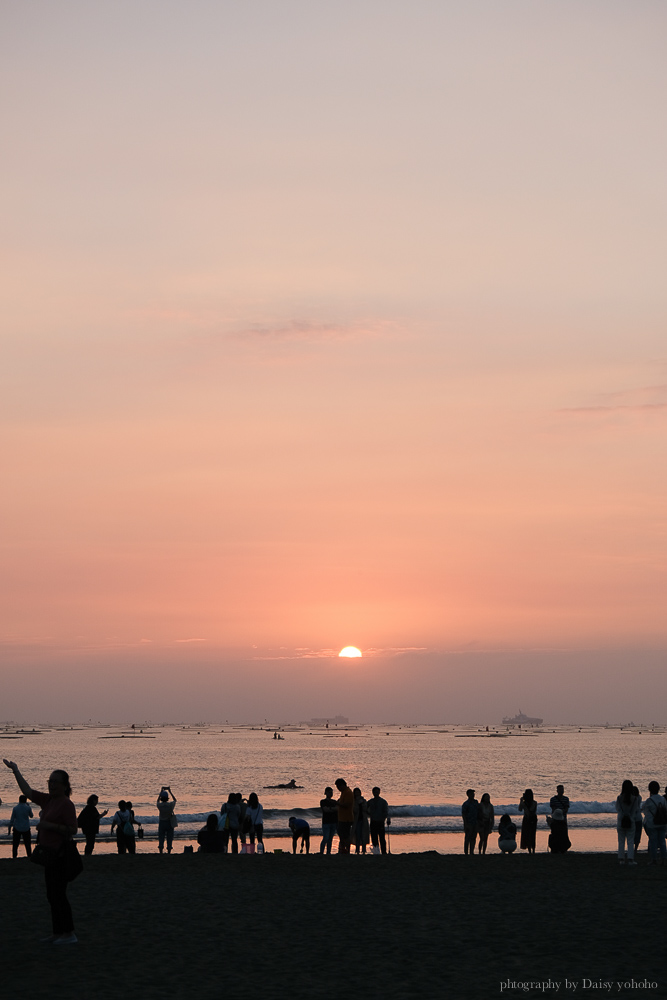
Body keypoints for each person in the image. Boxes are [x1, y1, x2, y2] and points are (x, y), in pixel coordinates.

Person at [3, 759, 79, 944]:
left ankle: (69, 934)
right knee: (51, 895)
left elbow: (73, 829)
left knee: (58, 894)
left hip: (60, 856)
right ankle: (57, 933)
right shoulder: (48, 800)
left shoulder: (66, 804)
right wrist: (15, 770)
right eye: (49, 781)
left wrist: (48, 825)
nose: (51, 785)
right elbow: (27, 792)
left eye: (55, 782)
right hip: (49, 857)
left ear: (64, 786)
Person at [642, 780, 667, 866]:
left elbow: (644, 810)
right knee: (662, 841)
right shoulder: (663, 799)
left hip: (652, 824)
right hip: (663, 823)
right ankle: (664, 859)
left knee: (653, 842)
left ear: (650, 790)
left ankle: (654, 860)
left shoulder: (649, 800)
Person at [616, 779, 640, 865]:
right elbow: (635, 811)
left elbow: (617, 809)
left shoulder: (619, 798)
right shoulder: (634, 799)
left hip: (621, 821)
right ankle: (630, 859)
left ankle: (621, 859)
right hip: (631, 821)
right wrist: (631, 817)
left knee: (621, 841)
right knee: (630, 841)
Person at [8, 794, 33, 859]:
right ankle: (29, 856)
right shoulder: (28, 808)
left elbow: (12, 819)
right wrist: (29, 806)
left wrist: (9, 829)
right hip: (26, 828)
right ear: (25, 800)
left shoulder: (15, 808)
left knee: (15, 844)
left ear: (19, 800)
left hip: (17, 827)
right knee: (27, 844)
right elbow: (31, 816)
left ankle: (14, 857)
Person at [367, 786, 390, 855]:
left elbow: (386, 812)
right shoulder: (370, 801)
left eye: (377, 792)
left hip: (380, 822)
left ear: (379, 792)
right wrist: (369, 814)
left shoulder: (383, 801)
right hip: (373, 821)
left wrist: (384, 819)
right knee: (374, 838)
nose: (376, 793)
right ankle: (376, 852)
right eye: (375, 792)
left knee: (382, 838)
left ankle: (383, 852)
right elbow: (365, 807)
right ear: (373, 793)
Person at [335, 778, 354, 854]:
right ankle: (343, 849)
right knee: (341, 834)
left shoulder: (348, 792)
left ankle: (347, 850)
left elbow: (347, 805)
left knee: (345, 835)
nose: (338, 789)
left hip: (346, 818)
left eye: (338, 787)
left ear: (342, 785)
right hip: (342, 818)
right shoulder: (343, 792)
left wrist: (337, 804)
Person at [156, 786, 177, 854]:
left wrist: (160, 792)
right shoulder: (170, 805)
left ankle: (161, 851)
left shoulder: (160, 805)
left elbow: (157, 801)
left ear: (162, 798)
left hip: (162, 822)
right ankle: (169, 851)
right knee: (169, 837)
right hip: (169, 822)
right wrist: (170, 791)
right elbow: (175, 800)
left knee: (161, 837)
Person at [518, 789, 538, 854]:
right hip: (533, 819)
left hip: (527, 819)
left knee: (527, 834)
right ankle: (533, 849)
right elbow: (533, 810)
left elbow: (520, 809)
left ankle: (529, 849)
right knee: (532, 834)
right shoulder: (535, 803)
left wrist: (521, 801)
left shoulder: (524, 804)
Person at [320, 786, 338, 855]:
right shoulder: (323, 801)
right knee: (326, 838)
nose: (331, 794)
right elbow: (325, 810)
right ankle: (322, 852)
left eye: (331, 792)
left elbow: (337, 809)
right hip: (326, 822)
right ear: (326, 793)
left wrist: (330, 809)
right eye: (329, 792)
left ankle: (328, 852)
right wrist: (332, 809)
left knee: (330, 839)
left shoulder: (334, 801)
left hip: (333, 822)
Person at [461, 789, 479, 855]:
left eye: (473, 794)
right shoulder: (466, 804)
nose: (473, 795)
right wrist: (465, 824)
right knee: (467, 838)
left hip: (475, 822)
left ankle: (472, 851)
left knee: (474, 837)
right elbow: (464, 814)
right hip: (469, 823)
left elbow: (478, 812)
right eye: (471, 794)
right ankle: (466, 852)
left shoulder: (476, 802)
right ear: (468, 795)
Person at [353, 787, 370, 854]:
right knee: (357, 835)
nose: (357, 793)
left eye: (358, 792)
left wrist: (362, 803)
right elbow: (354, 810)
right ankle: (357, 850)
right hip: (356, 820)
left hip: (364, 820)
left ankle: (363, 850)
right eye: (356, 792)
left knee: (364, 835)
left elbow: (365, 809)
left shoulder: (364, 800)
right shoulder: (353, 801)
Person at [632, 785, 643, 857]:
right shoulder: (639, 798)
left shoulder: (632, 799)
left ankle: (632, 848)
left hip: (632, 817)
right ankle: (636, 848)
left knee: (632, 833)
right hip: (639, 817)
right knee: (638, 833)